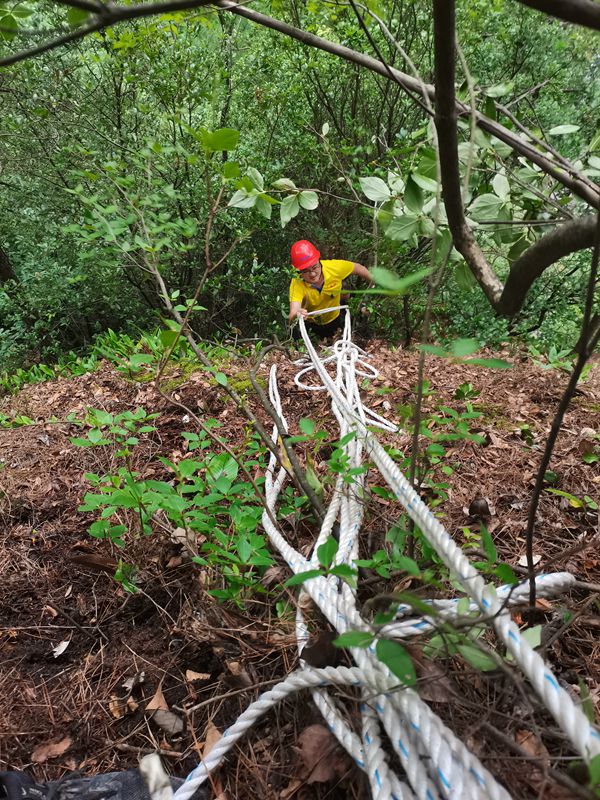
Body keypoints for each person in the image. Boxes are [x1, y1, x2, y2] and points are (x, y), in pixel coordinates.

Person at [288, 240, 373, 339]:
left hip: (335, 319)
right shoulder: (297, 282)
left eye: (315, 267)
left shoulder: (334, 267)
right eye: (305, 271)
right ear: (298, 271)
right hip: (311, 325)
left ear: (319, 261)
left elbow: (357, 268)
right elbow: (293, 311)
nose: (312, 274)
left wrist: (374, 281)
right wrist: (297, 313)